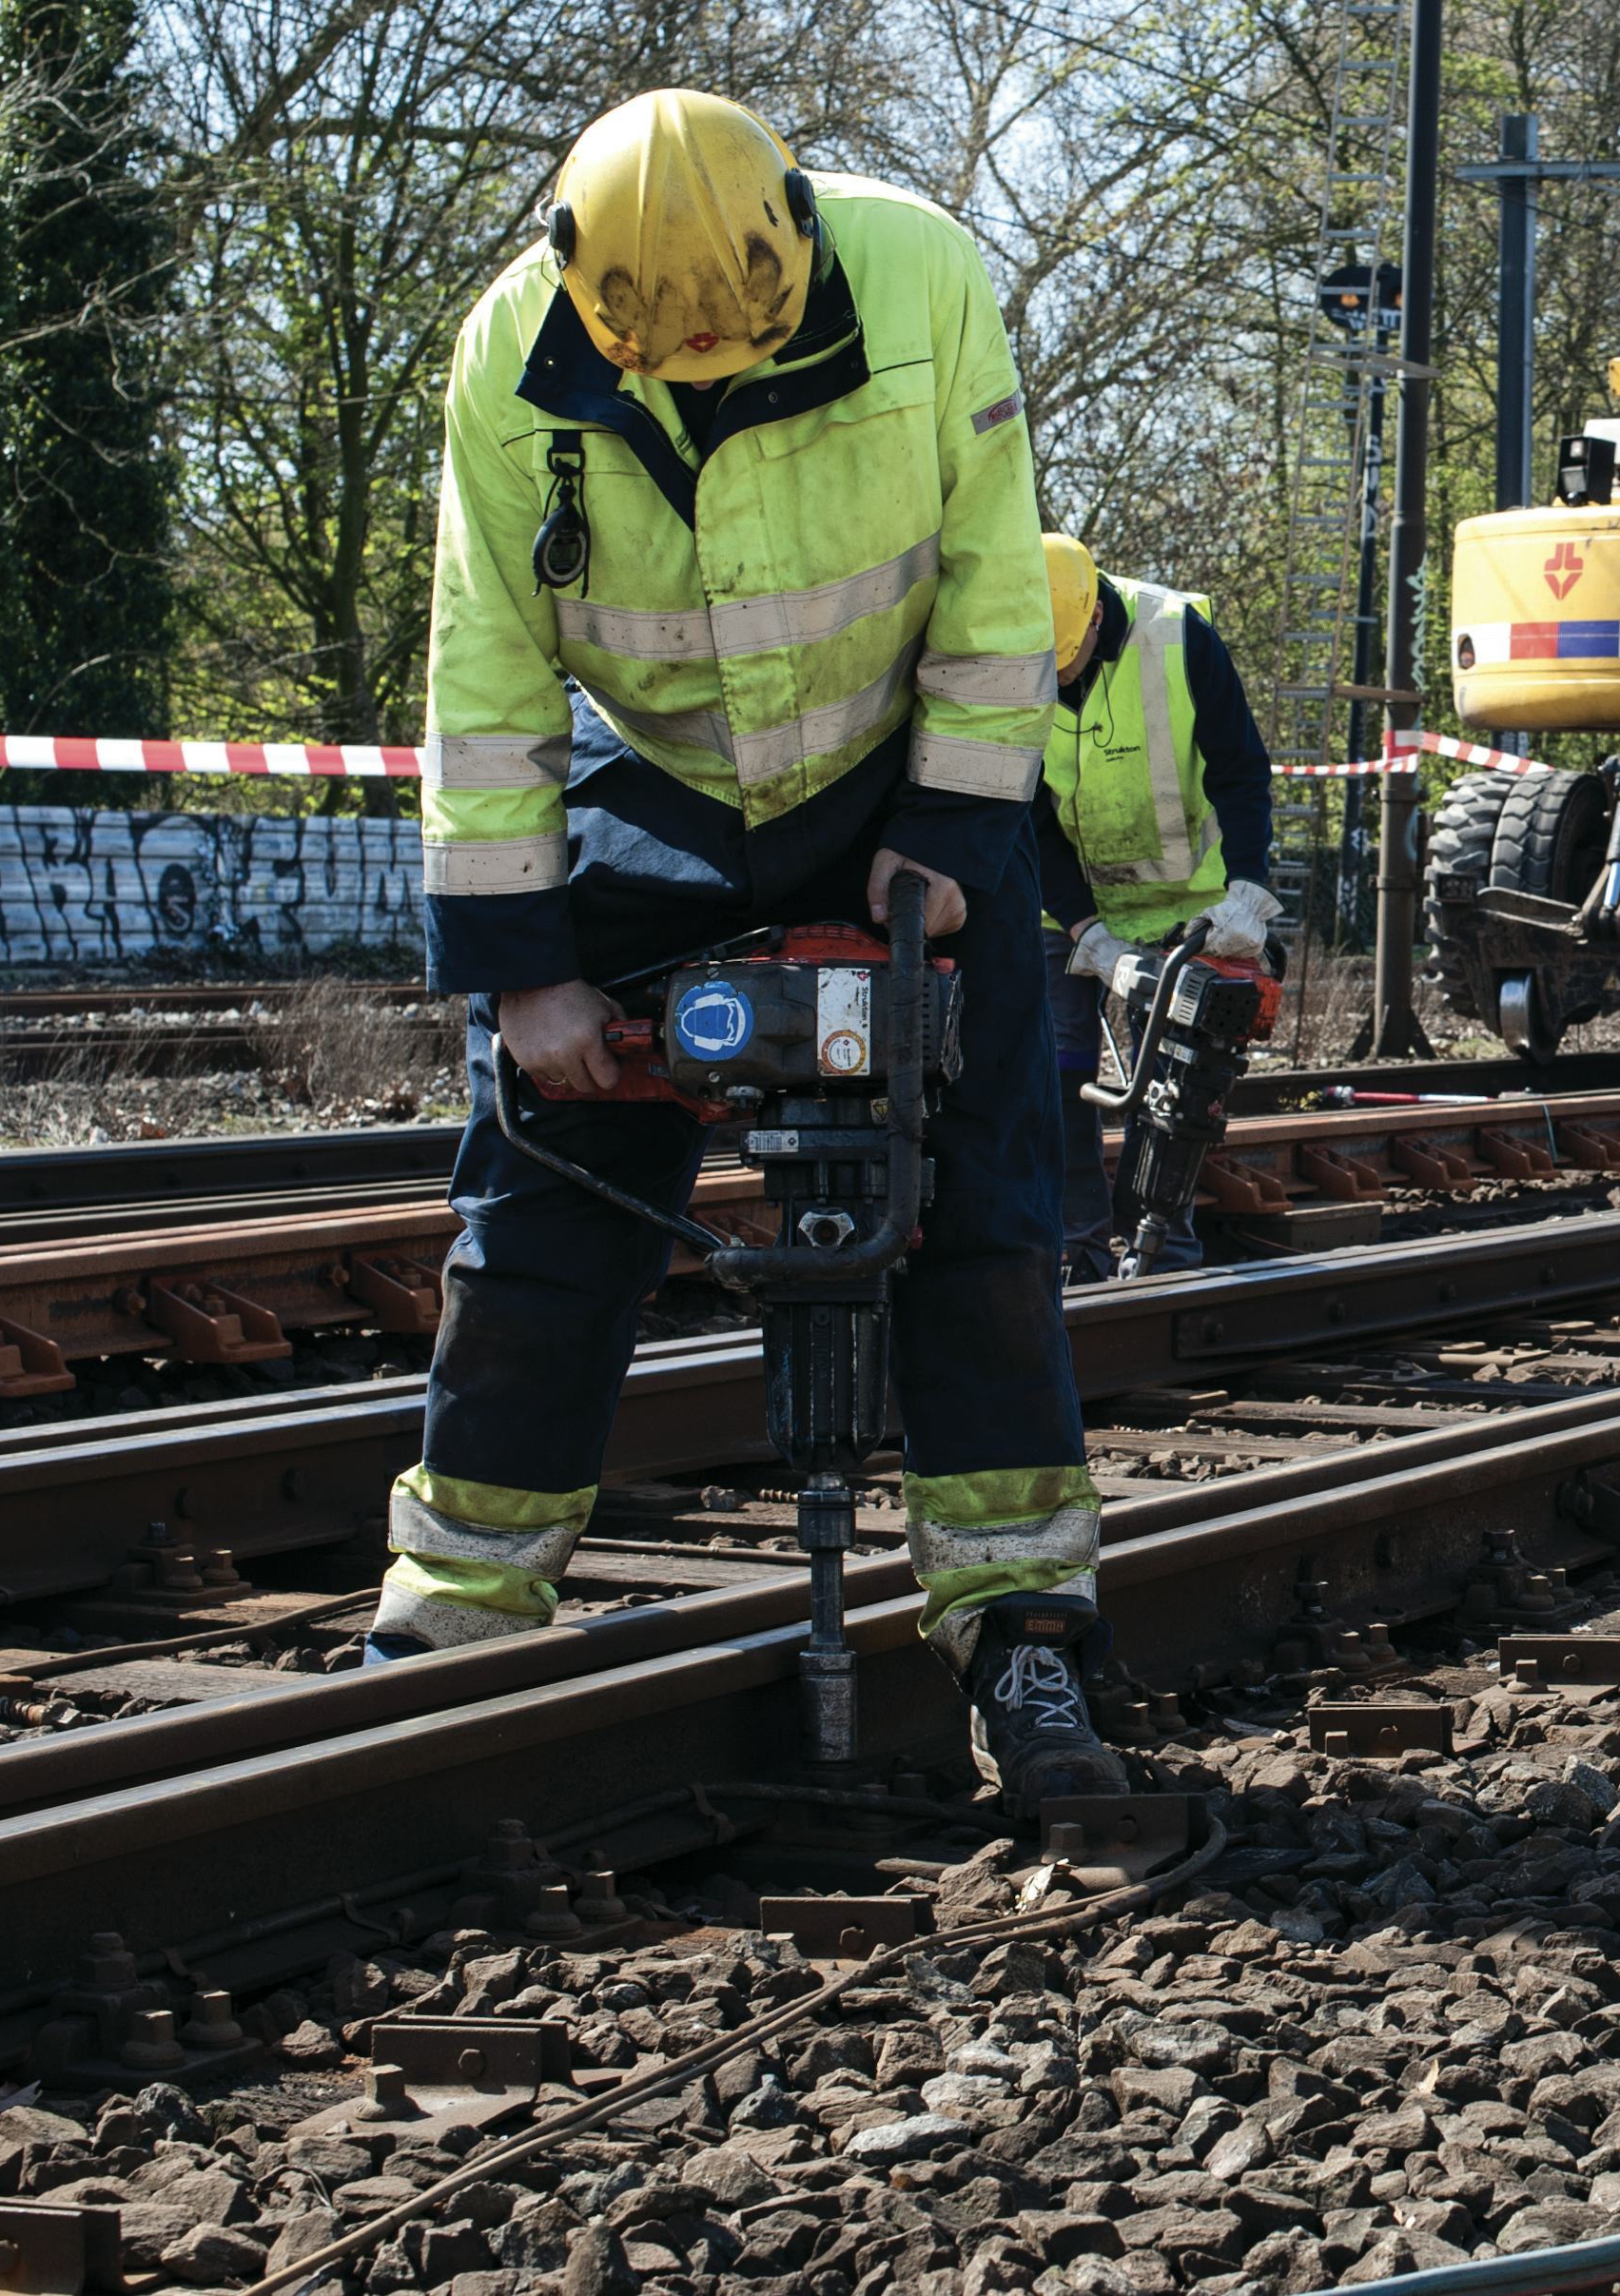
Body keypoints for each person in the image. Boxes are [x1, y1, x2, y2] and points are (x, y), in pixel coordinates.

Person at [394, 88, 1121, 1810]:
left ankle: (1022, 1634)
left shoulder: (925, 281)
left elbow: (996, 594)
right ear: (592, 301)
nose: (709, 369)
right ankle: (455, 1621)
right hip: (656, 785)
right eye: (672, 356)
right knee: (538, 1216)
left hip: (901, 782)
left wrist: (947, 850)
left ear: (795, 239)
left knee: (981, 1220)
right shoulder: (510, 358)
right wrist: (526, 972)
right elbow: (485, 678)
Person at [1037, 534, 1282, 1279]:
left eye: (1064, 660)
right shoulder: (1004, 655)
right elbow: (1025, 817)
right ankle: (1072, 1250)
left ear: (1094, 621)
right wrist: (1089, 935)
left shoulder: (1178, 636)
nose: (1055, 677)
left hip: (1192, 906)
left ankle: (1165, 1254)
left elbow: (1241, 770)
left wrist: (1247, 891)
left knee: (1180, 1089)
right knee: (1056, 1074)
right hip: (1069, 911)